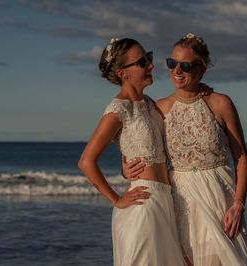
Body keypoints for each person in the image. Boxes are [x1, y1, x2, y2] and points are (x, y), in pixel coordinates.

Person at [123, 33, 247, 266]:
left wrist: (238, 205)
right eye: (172, 63)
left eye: (185, 65)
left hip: (219, 203)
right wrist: (127, 167)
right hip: (181, 204)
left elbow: (242, 157)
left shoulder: (221, 103)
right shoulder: (159, 108)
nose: (177, 70)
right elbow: (143, 148)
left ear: (201, 69)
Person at [78, 37, 185, 266]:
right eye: (142, 61)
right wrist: (116, 199)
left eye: (149, 58)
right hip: (142, 205)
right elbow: (86, 161)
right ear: (122, 73)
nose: (150, 65)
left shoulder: (148, 103)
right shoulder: (118, 109)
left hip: (165, 201)